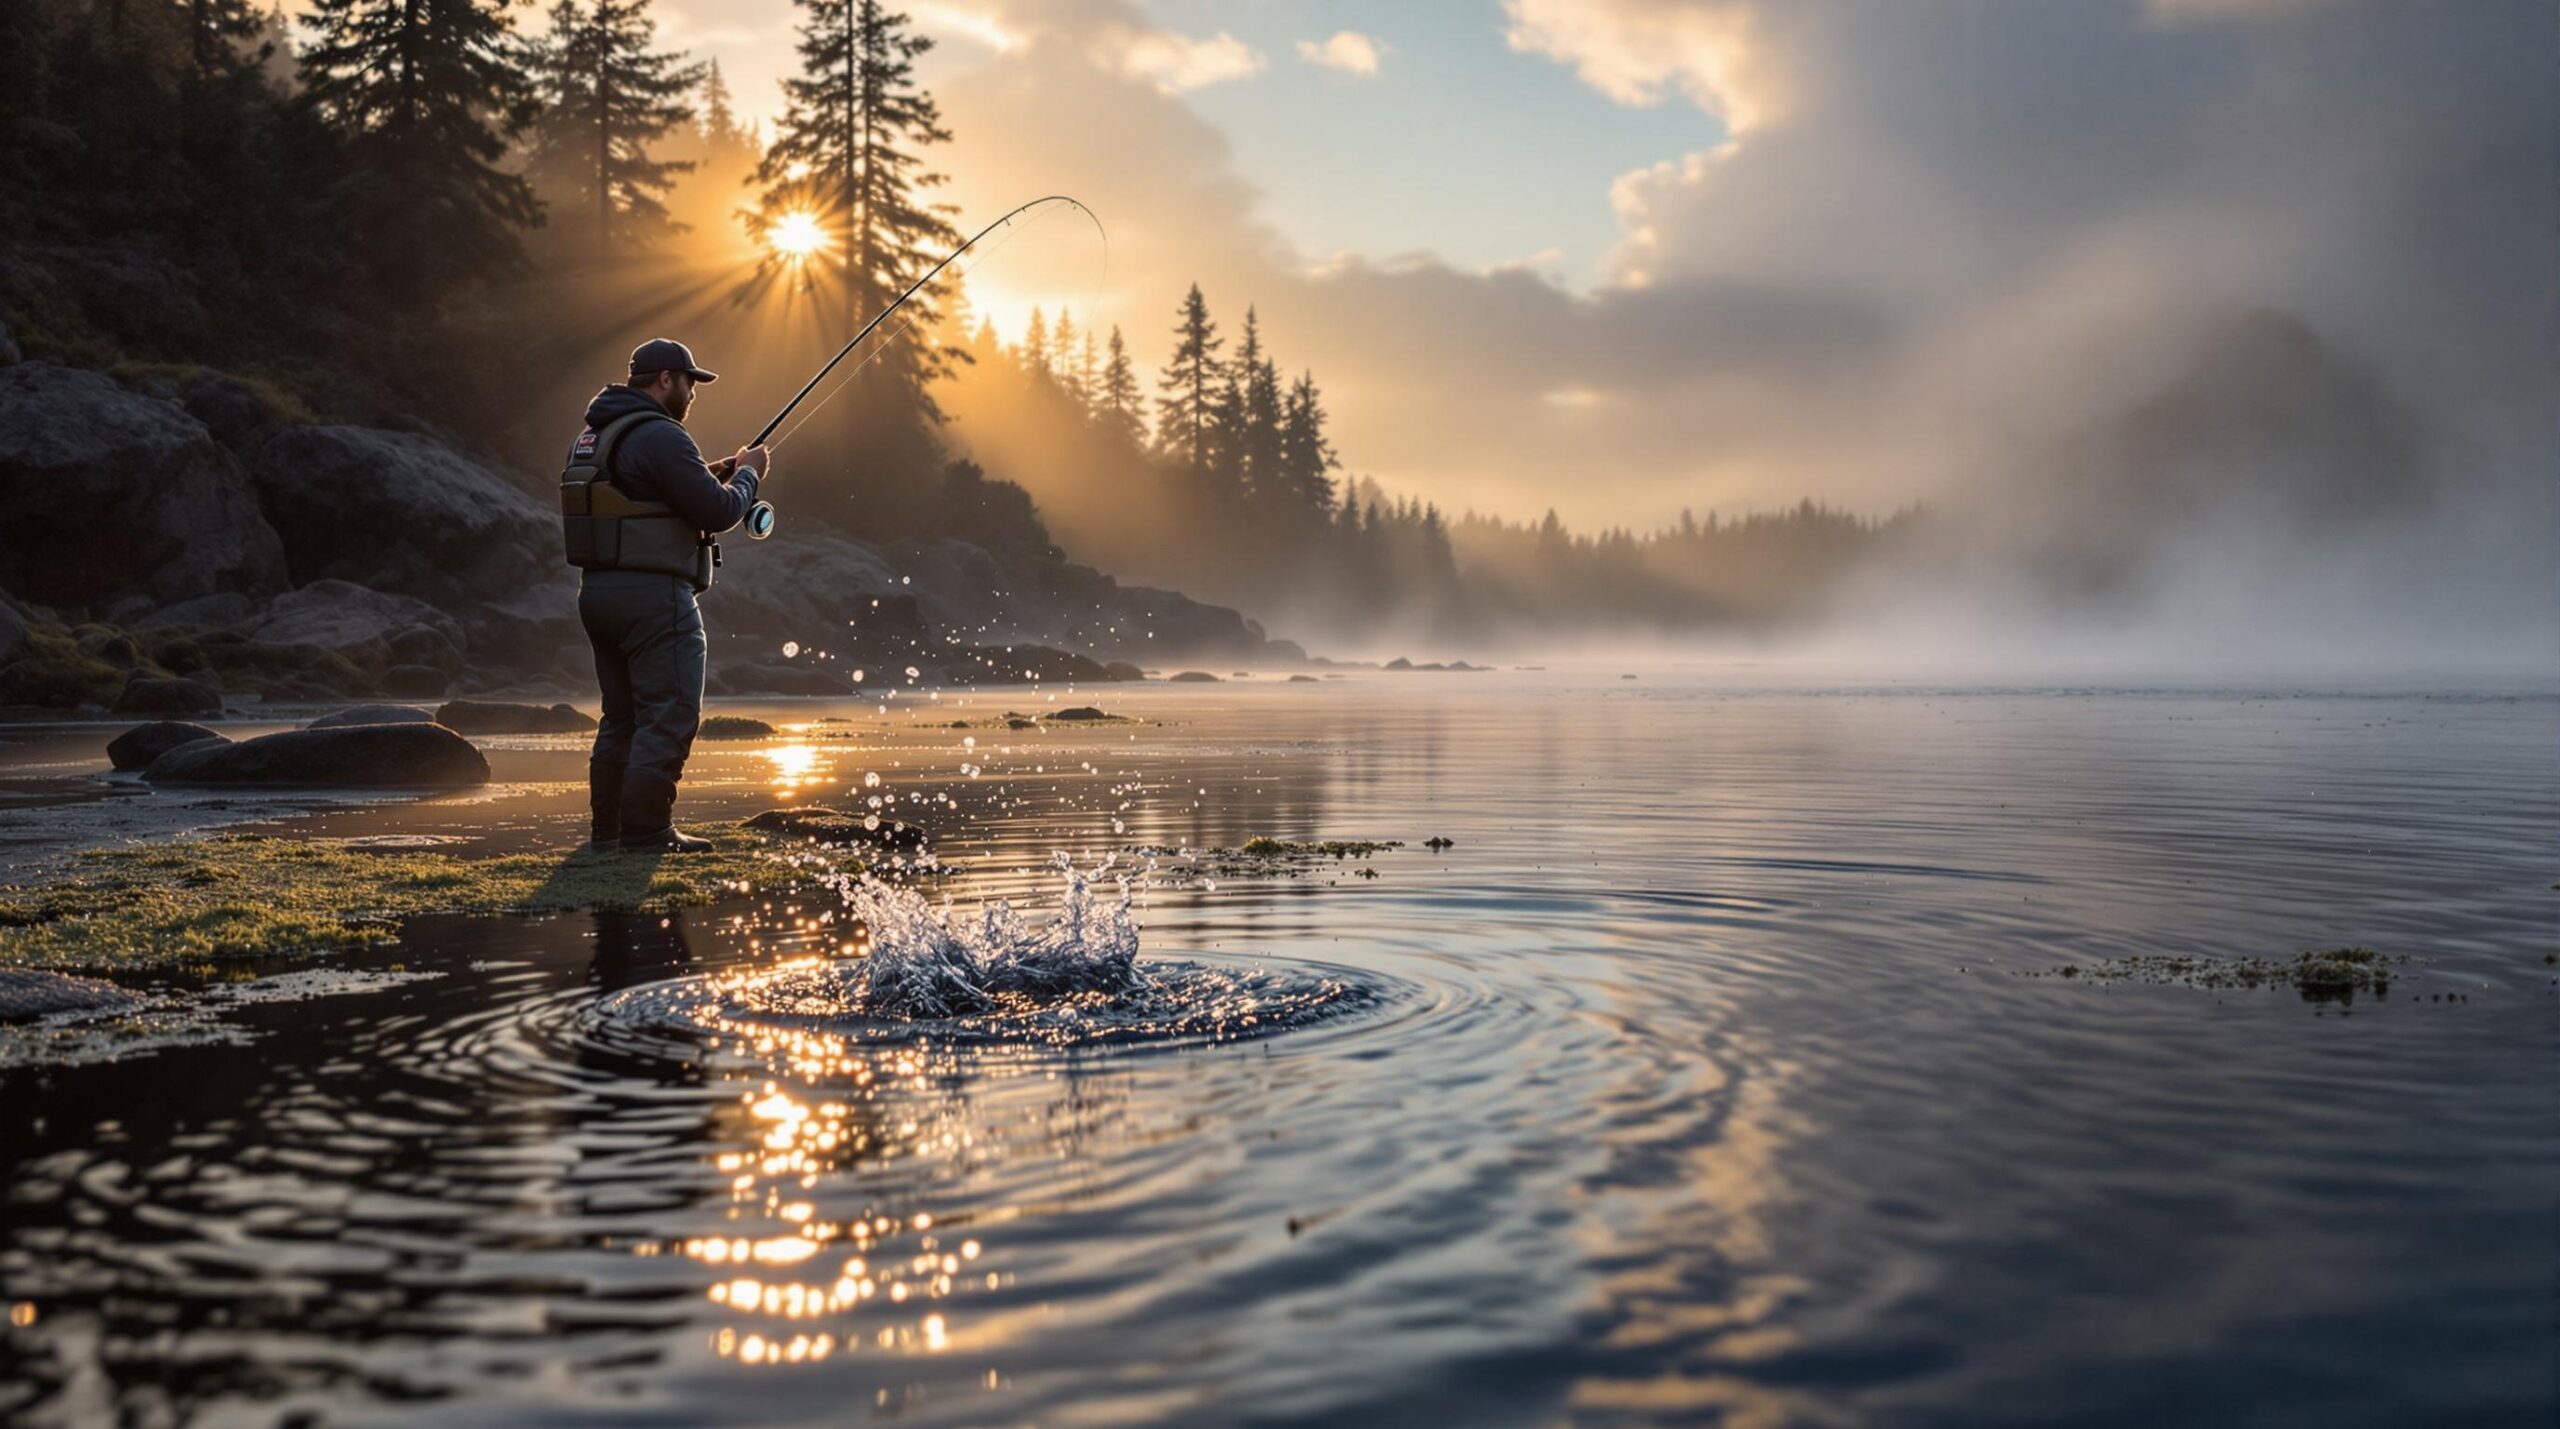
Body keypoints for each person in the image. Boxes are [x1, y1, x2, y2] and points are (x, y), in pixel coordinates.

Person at [561, 337, 769, 852]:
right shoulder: (661, 435)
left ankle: (606, 834)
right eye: (689, 382)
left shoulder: (595, 436)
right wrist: (748, 475)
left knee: (622, 718)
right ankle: (649, 832)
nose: (694, 393)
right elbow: (720, 512)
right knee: (670, 713)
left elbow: (651, 490)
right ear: (663, 380)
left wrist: (714, 472)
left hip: (599, 594)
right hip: (653, 597)